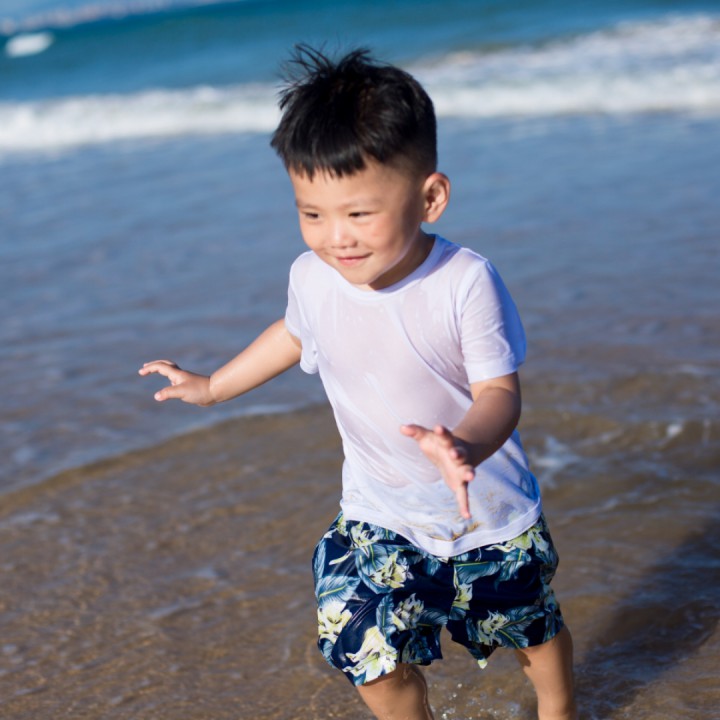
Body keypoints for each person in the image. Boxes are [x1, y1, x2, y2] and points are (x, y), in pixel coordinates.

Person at [139, 45, 577, 720]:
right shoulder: (312, 276)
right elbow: (294, 333)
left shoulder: (463, 282)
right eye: (312, 214)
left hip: (485, 518)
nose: (335, 238)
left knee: (529, 632)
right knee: (361, 647)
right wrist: (214, 385)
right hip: (377, 514)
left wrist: (462, 446)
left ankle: (559, 708)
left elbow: (499, 394)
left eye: (359, 214)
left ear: (430, 197)